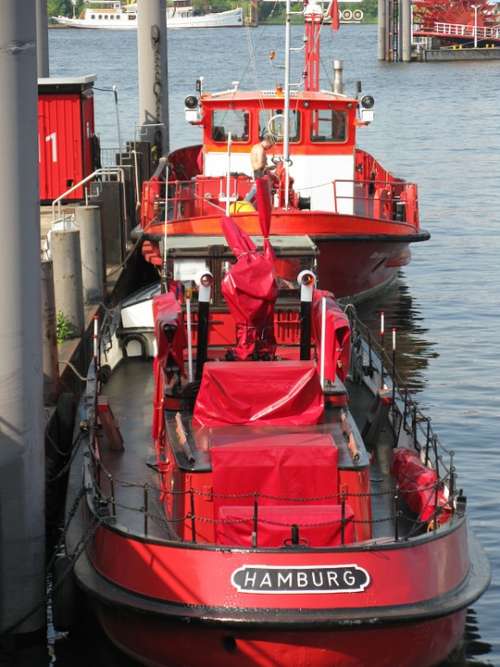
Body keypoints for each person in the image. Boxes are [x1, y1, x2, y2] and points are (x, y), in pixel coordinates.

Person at [244, 133, 276, 204]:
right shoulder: (261, 150)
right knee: (256, 190)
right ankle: (245, 203)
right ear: (268, 142)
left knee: (256, 191)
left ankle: (246, 203)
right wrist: (270, 167)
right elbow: (260, 165)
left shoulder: (255, 147)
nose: (270, 148)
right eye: (270, 146)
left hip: (256, 172)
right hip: (259, 173)